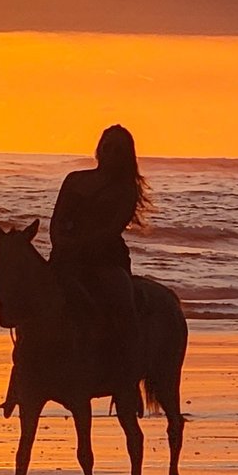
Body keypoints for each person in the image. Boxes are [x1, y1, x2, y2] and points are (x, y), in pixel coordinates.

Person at [49, 124, 150, 382]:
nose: (110, 153)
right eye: (107, 146)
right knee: (31, 300)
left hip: (105, 260)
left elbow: (112, 229)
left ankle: (128, 372)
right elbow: (57, 218)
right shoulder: (75, 179)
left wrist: (79, 245)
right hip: (66, 256)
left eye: (117, 149)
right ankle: (20, 379)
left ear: (125, 155)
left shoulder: (125, 189)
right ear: (99, 149)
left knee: (122, 301)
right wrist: (60, 243)